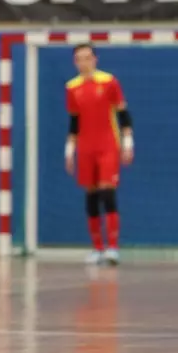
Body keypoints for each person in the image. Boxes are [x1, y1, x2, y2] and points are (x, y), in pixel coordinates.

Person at [65, 44, 134, 266]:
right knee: (91, 195)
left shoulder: (109, 82)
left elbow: (123, 114)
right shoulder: (72, 87)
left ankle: (113, 248)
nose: (84, 62)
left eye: (88, 57)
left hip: (108, 146)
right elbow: (74, 123)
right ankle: (97, 248)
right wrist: (69, 150)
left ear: (95, 59)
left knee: (107, 191)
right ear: (75, 62)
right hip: (85, 148)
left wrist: (128, 142)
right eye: (79, 59)